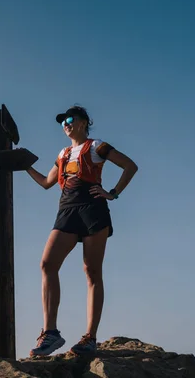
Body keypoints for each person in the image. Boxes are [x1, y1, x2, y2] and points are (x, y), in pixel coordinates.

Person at [25, 105, 138, 357]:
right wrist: (23, 165)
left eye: (68, 119)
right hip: (67, 211)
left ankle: (90, 338)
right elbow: (46, 182)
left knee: (92, 271)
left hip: (92, 209)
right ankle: (50, 333)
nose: (64, 124)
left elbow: (130, 166)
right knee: (47, 264)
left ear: (84, 122)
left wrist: (113, 193)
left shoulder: (97, 145)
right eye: (61, 122)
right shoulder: (63, 153)